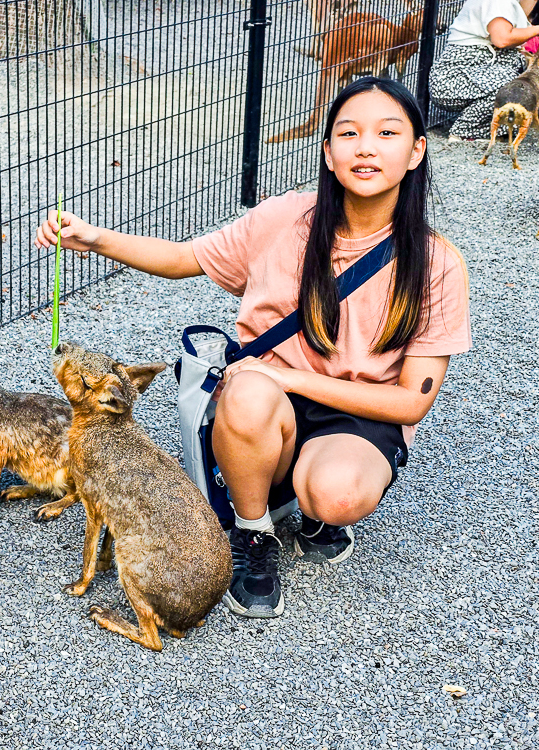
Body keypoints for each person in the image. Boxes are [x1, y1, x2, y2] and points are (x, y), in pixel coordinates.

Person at [34, 78, 471, 619]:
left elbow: (410, 402)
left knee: (336, 495)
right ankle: (253, 528)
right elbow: (185, 259)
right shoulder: (284, 219)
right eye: (348, 133)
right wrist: (97, 238)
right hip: (264, 400)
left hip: (357, 411)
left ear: (416, 151)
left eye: (387, 133)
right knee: (246, 391)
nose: (365, 148)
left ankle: (315, 510)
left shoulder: (436, 263)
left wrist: (292, 378)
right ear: (328, 152)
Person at [429, 0, 539, 141]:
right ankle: (465, 132)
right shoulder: (497, 2)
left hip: (474, 72)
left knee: (520, 82)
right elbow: (502, 39)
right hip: (452, 79)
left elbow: (522, 14)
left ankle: (494, 128)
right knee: (515, 85)